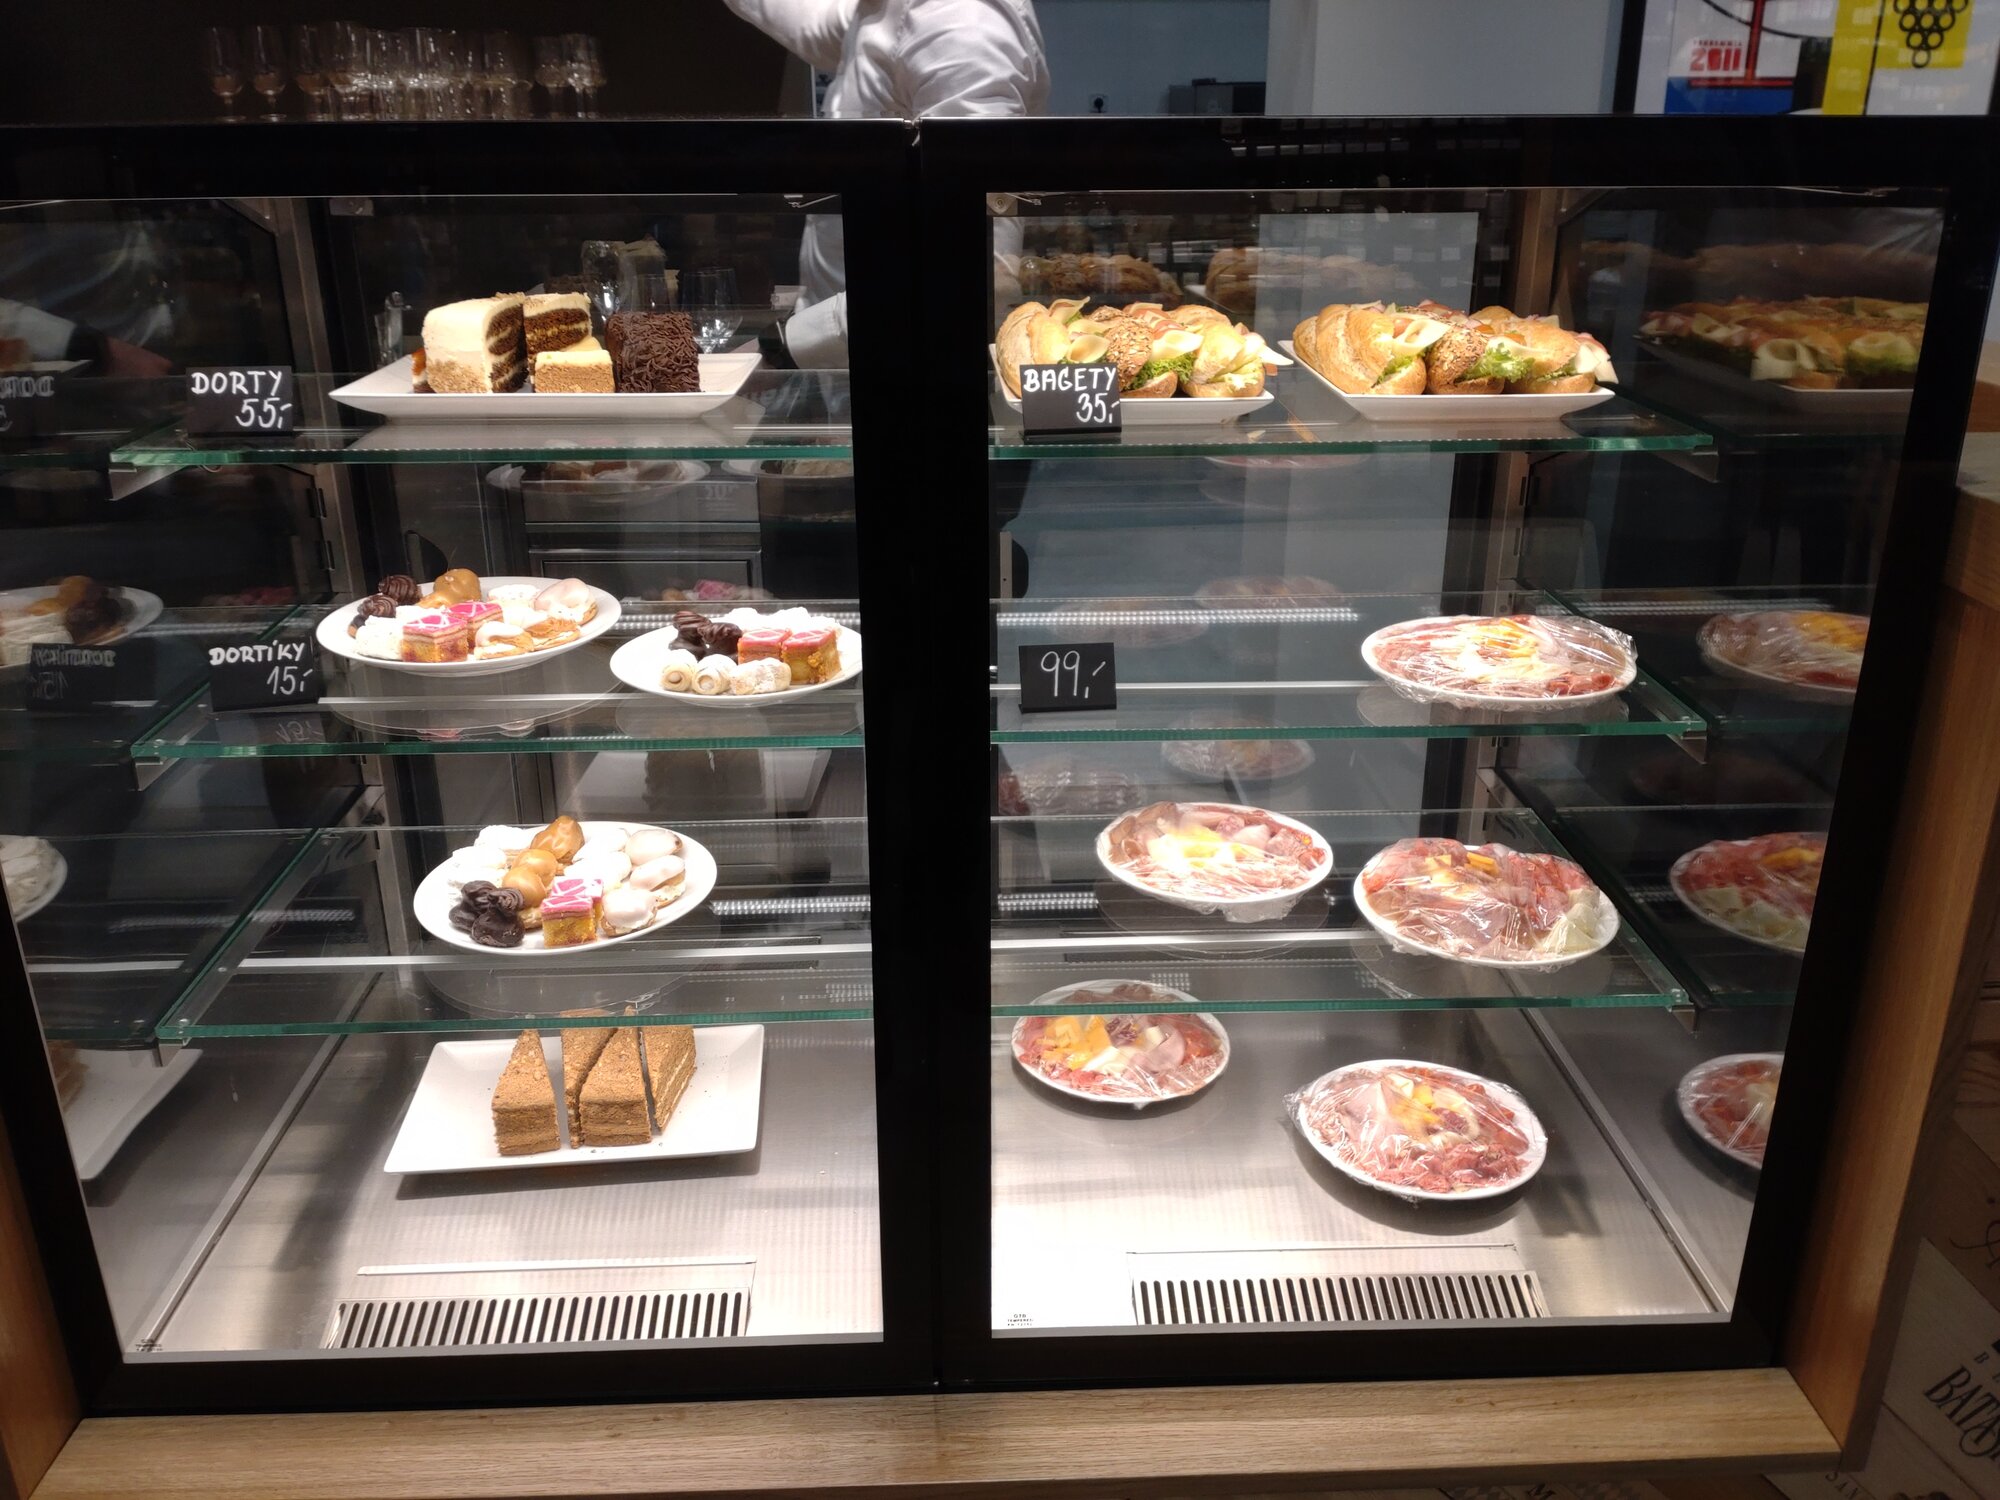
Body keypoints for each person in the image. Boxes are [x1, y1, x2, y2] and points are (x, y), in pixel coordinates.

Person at [726, 0, 1049, 365]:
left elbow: (974, 270)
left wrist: (785, 346)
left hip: (909, 366)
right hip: (848, 353)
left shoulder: (962, 22)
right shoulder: (883, 7)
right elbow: (812, 25)